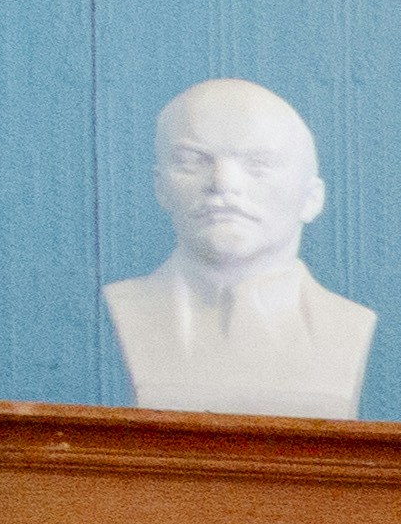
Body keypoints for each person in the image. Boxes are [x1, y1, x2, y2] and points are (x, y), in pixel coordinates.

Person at [105, 80, 375, 420]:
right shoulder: (126, 311)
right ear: (161, 187)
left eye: (259, 163)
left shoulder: (346, 327)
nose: (224, 182)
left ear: (311, 198)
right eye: (193, 160)